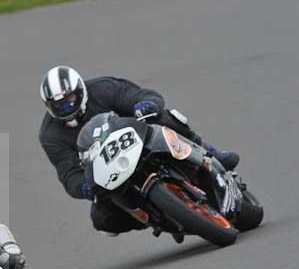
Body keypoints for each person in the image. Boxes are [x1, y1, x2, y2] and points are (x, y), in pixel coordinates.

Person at [38, 65, 240, 235]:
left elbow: (141, 96)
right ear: (48, 106)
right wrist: (84, 187)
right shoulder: (50, 135)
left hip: (140, 140)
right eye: (58, 105)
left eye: (69, 99)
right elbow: (68, 173)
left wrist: (146, 105)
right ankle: (153, 217)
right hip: (109, 172)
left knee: (164, 117)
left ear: (80, 91)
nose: (65, 107)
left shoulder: (103, 88)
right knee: (102, 220)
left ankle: (210, 152)